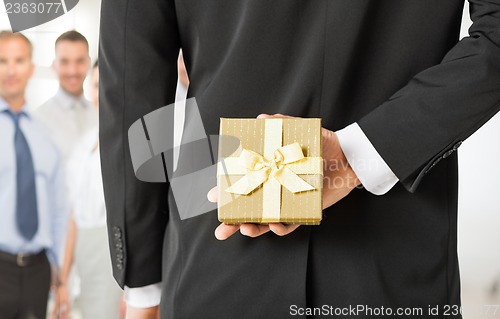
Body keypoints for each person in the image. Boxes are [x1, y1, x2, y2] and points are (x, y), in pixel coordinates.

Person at [99, 1, 500, 318]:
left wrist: (144, 281)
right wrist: (360, 154)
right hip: (398, 263)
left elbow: (133, 86)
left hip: (216, 249)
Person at [0, 30, 69, 319]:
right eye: (2, 61)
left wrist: (61, 276)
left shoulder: (45, 135)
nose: (11, 69)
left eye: (19, 60)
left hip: (38, 271)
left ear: (31, 67)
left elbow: (58, 208)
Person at [53, 61, 124, 319]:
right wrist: (62, 279)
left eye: (106, 84)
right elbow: (72, 217)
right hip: (83, 255)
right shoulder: (82, 145)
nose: (100, 92)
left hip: (114, 255)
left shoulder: (129, 141)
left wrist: (134, 288)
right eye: (95, 85)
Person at [35, 30, 97, 161]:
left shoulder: (102, 114)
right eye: (64, 62)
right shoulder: (38, 119)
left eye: (79, 61)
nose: (72, 71)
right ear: (54, 65)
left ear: (88, 63)